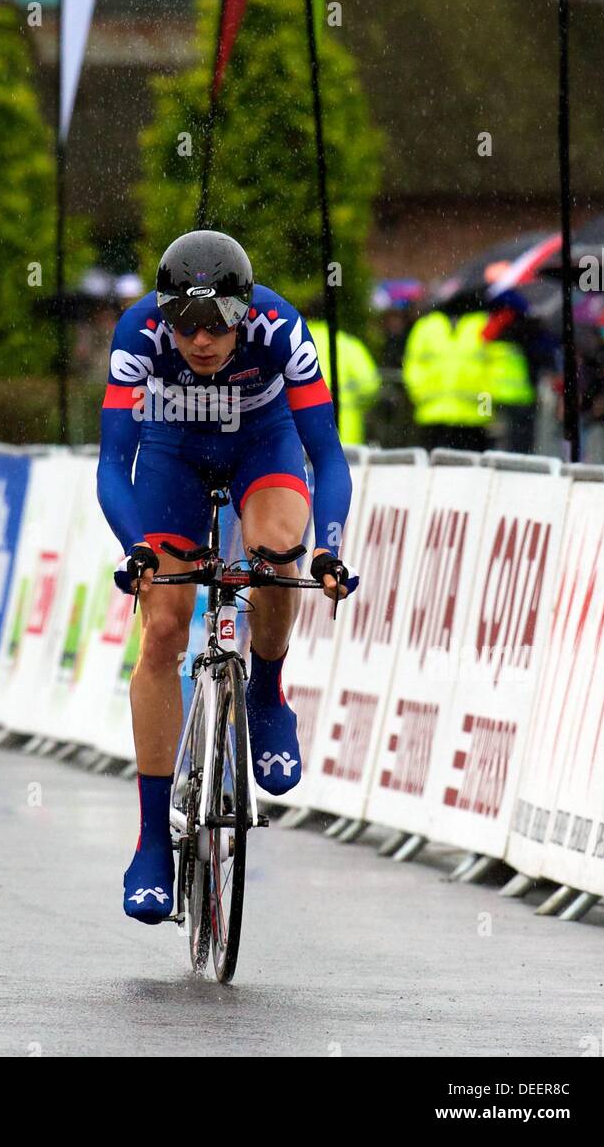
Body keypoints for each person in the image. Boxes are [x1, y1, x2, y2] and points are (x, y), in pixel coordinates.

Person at [96, 231, 354, 924]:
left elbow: (326, 457)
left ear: (244, 314)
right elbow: (110, 465)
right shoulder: (138, 333)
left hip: (260, 446)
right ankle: (152, 841)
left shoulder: (278, 327)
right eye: (186, 325)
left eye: (215, 326)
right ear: (164, 316)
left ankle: (267, 696)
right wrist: (136, 548)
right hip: (171, 457)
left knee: (275, 552)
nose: (200, 341)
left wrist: (325, 551)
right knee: (163, 634)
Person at [402, 306, 493, 452]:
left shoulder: (484, 324)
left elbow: (494, 372)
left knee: (469, 471)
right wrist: (420, 396)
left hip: (474, 420)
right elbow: (413, 365)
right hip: (432, 416)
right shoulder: (426, 325)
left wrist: (486, 412)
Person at [309, 320, 381, 444]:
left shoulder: (290, 342)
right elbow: (370, 385)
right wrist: (361, 405)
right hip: (345, 428)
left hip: (300, 432)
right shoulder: (346, 343)